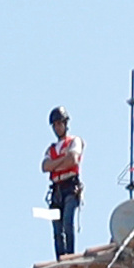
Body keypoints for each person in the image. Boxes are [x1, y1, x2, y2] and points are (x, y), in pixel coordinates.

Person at [41, 107, 83, 257]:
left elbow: (73, 159)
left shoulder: (74, 141)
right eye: (55, 125)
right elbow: (45, 167)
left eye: (60, 123)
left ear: (65, 124)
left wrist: (55, 165)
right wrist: (63, 161)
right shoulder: (50, 149)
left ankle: (70, 255)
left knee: (67, 223)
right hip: (56, 192)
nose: (57, 127)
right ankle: (60, 258)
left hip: (70, 187)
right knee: (57, 229)